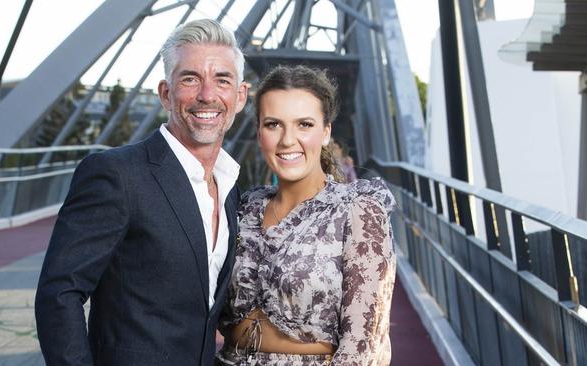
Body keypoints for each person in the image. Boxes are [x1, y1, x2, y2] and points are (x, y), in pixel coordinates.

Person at [35, 19, 249, 366]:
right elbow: (59, 294)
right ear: (166, 92)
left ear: (240, 96)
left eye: (222, 80)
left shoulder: (229, 188)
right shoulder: (117, 175)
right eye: (190, 78)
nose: (207, 94)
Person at [217, 65, 396, 365]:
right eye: (273, 124)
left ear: (325, 132)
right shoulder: (243, 207)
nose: (288, 140)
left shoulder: (357, 210)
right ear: (259, 133)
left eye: (304, 124)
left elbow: (362, 348)